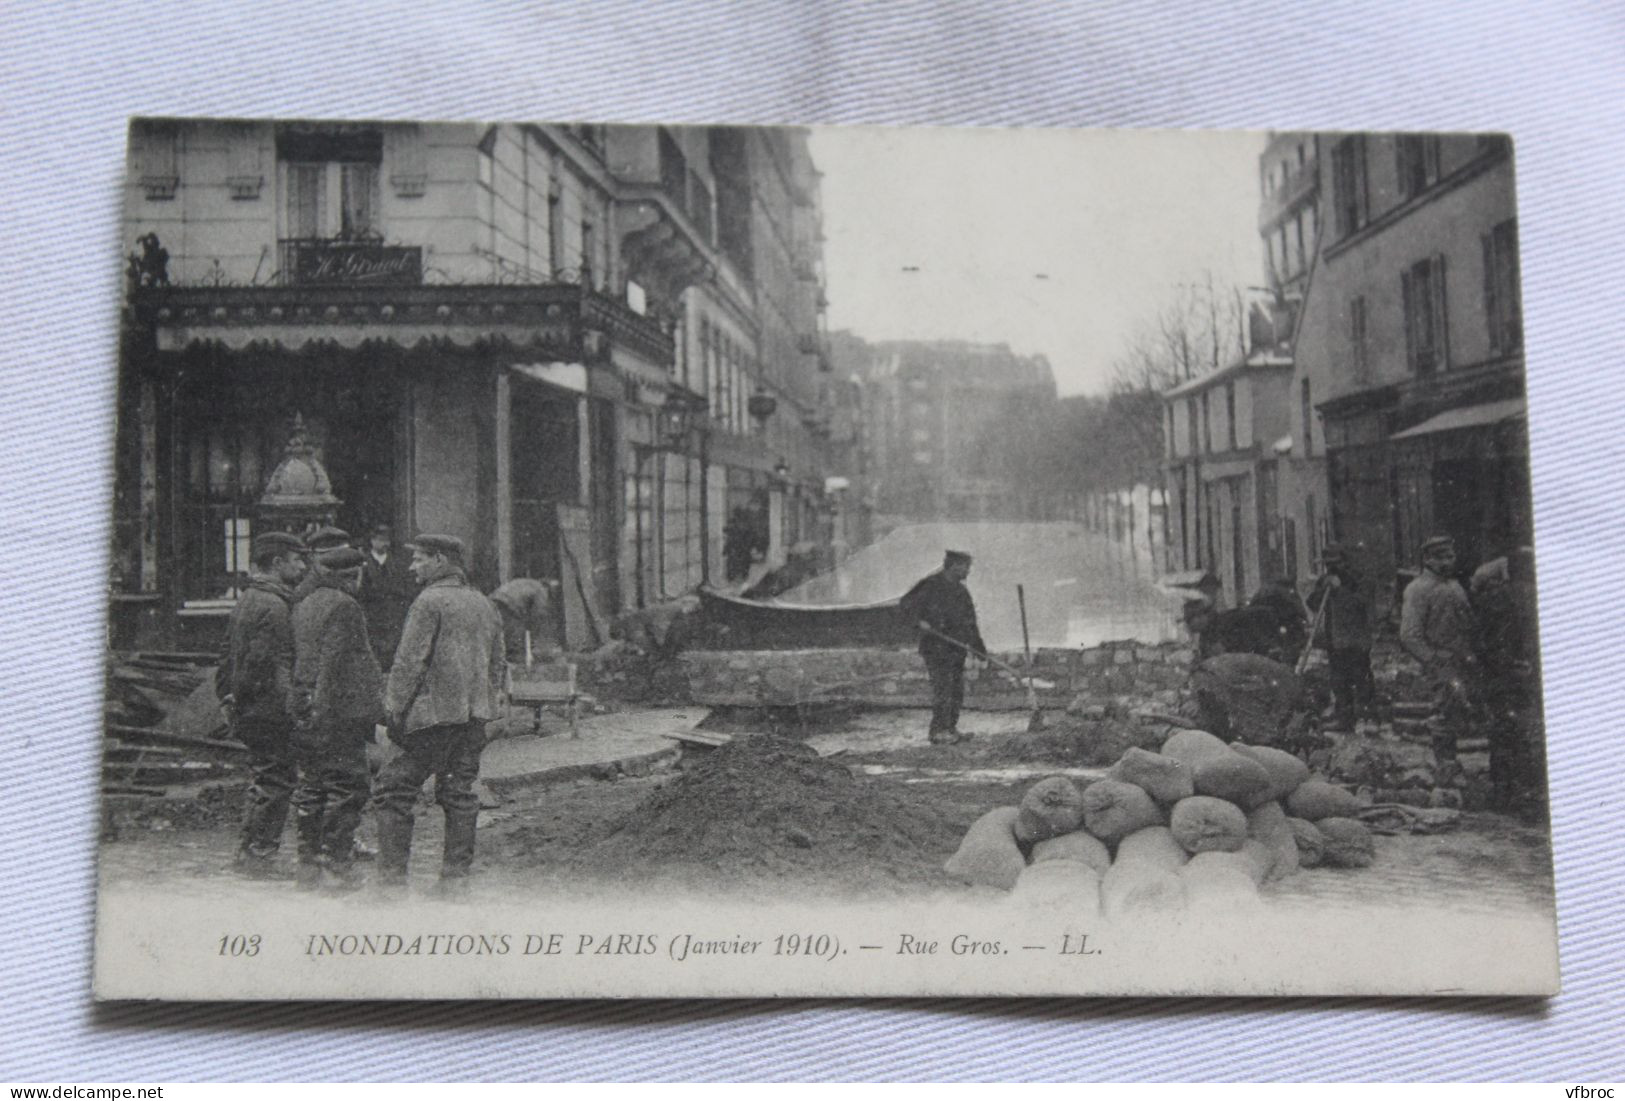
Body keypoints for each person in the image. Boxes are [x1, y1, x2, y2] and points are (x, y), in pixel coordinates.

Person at [375, 534, 506, 898]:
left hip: (432, 720)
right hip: (473, 718)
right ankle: (455, 883)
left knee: (393, 790)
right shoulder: (484, 603)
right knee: (460, 793)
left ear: (440, 561)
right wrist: (486, 706)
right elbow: (498, 663)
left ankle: (389, 886)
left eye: (419, 559)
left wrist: (393, 710)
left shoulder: (429, 601)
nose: (412, 566)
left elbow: (408, 662)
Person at [288, 545, 382, 891]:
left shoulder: (305, 603)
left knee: (312, 786)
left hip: (307, 707)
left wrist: (306, 707)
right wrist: (327, 710)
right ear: (351, 574)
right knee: (347, 787)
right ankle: (337, 866)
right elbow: (334, 663)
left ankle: (308, 867)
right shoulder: (345, 606)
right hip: (338, 713)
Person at [215, 531, 307, 878]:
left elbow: (225, 655)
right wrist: (289, 707)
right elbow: (268, 664)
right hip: (268, 709)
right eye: (297, 560)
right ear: (278, 563)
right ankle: (258, 857)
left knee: (264, 779)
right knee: (276, 782)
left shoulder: (249, 599)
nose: (302, 567)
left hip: (249, 706)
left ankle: (249, 852)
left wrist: (228, 696)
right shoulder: (275, 605)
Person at [1400, 534, 1477, 774]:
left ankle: (1452, 763)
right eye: (1440, 557)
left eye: (1450, 556)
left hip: (1462, 659)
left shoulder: (1454, 586)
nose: (1447, 562)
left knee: (1458, 710)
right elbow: (1409, 635)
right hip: (1441, 661)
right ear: (1427, 560)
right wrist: (1432, 660)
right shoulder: (1417, 589)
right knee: (1444, 713)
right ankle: (1446, 766)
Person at [1474, 546, 1543, 813]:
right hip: (1534, 677)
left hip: (1501, 677)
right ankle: (1533, 791)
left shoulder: (1495, 598)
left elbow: (1481, 641)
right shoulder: (1544, 594)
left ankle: (1503, 793)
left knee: (1502, 731)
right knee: (1531, 730)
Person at [899, 550, 987, 745]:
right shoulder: (930, 585)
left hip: (956, 648)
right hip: (935, 647)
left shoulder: (961, 591)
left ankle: (950, 729)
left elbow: (970, 622)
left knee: (956, 690)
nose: (968, 572)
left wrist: (978, 648)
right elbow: (905, 605)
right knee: (943, 689)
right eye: (966, 567)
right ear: (954, 565)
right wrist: (919, 621)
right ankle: (938, 731)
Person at [1306, 545, 1376, 733]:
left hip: (1356, 639)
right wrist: (1323, 590)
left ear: (1345, 562)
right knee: (1338, 681)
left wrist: (1341, 590)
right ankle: (1345, 718)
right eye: (1328, 564)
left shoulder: (1360, 580)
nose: (1332, 568)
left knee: (1361, 679)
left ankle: (1367, 718)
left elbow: (1361, 604)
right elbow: (1312, 603)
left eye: (1336, 564)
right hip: (1335, 639)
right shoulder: (1325, 580)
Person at [358, 522, 414, 667]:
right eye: (381, 540)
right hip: (372, 614)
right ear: (372, 541)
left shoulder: (396, 563)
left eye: (387, 540)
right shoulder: (363, 562)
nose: (385, 544)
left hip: (391, 614)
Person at [1181, 595, 1286, 662]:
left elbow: (1235, 652)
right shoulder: (1206, 634)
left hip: (1258, 659)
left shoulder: (1224, 623)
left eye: (1190, 621)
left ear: (1201, 617)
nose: (1189, 626)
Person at [489, 576, 559, 664]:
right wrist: (535, 635)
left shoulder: (528, 583)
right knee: (514, 642)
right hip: (508, 606)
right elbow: (539, 613)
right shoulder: (541, 589)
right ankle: (514, 666)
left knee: (499, 638)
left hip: (492, 602)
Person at [291, 524, 351, 605]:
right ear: (312, 556)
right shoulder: (304, 585)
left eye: (341, 555)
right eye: (327, 555)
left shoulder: (351, 576)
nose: (335, 560)